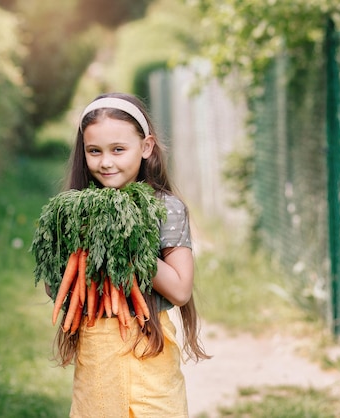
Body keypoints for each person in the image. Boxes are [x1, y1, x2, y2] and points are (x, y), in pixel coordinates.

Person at [49, 92, 210, 417]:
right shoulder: (77, 211)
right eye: (95, 151)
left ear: (146, 147)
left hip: (151, 349)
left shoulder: (167, 209)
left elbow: (180, 290)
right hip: (96, 350)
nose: (106, 162)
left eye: (118, 150)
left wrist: (130, 246)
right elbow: (58, 290)